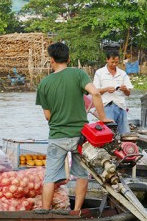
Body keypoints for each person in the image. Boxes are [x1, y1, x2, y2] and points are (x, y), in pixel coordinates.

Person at [36, 42, 112, 212]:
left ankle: (45, 211)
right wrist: (103, 118)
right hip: (81, 136)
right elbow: (95, 93)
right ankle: (76, 211)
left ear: (51, 60)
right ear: (69, 59)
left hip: (57, 136)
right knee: (81, 174)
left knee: (50, 176)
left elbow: (47, 116)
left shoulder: (44, 84)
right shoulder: (78, 74)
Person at [93, 50, 133, 134]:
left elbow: (128, 93)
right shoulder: (99, 73)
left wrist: (125, 89)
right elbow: (95, 91)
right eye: (112, 62)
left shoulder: (122, 74)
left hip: (121, 106)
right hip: (106, 106)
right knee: (109, 133)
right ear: (107, 60)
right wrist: (105, 89)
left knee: (124, 133)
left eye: (116, 62)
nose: (114, 64)